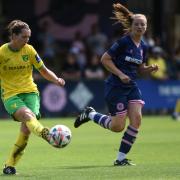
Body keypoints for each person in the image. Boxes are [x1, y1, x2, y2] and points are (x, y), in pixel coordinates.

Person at [74, 3, 158, 166]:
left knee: (137, 120)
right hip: (116, 86)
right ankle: (90, 114)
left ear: (146, 27)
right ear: (132, 26)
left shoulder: (144, 46)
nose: (140, 26)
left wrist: (149, 69)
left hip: (131, 86)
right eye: (137, 24)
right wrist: (120, 74)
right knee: (117, 126)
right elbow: (104, 59)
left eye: (143, 24)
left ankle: (120, 159)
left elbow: (140, 69)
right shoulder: (123, 42)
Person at [0, 20, 65, 175]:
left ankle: (9, 165)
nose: (27, 40)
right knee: (28, 116)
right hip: (11, 95)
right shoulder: (2, 52)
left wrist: (56, 79)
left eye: (28, 37)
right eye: (24, 37)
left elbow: (43, 70)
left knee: (27, 129)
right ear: (14, 36)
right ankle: (47, 134)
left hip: (30, 93)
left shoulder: (29, 50)